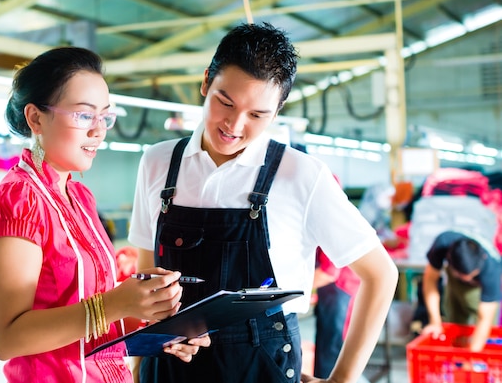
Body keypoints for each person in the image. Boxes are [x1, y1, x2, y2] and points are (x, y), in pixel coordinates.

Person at [129, 22, 398, 383]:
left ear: (279, 109)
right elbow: (150, 277)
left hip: (260, 366)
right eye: (225, 102)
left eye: (257, 115)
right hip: (170, 364)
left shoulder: (302, 174)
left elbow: (380, 274)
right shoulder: (159, 162)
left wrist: (342, 378)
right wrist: (142, 354)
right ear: (206, 81)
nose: (234, 125)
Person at [0, 46, 208, 383]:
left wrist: (161, 329)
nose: (99, 131)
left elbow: (96, 323)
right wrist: (115, 304)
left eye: (105, 117)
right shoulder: (17, 200)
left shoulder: (79, 196)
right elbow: (5, 338)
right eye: (84, 115)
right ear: (36, 118)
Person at [421, 230, 501, 351]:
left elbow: (485, 319)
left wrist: (470, 357)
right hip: (455, 282)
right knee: (455, 324)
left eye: (470, 275)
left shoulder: (492, 270)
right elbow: (430, 280)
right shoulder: (443, 243)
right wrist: (435, 322)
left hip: (481, 286)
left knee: (482, 334)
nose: (467, 279)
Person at [312, 248, 360, 379]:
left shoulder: (326, 229)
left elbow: (328, 273)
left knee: (331, 355)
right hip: (338, 294)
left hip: (339, 294)